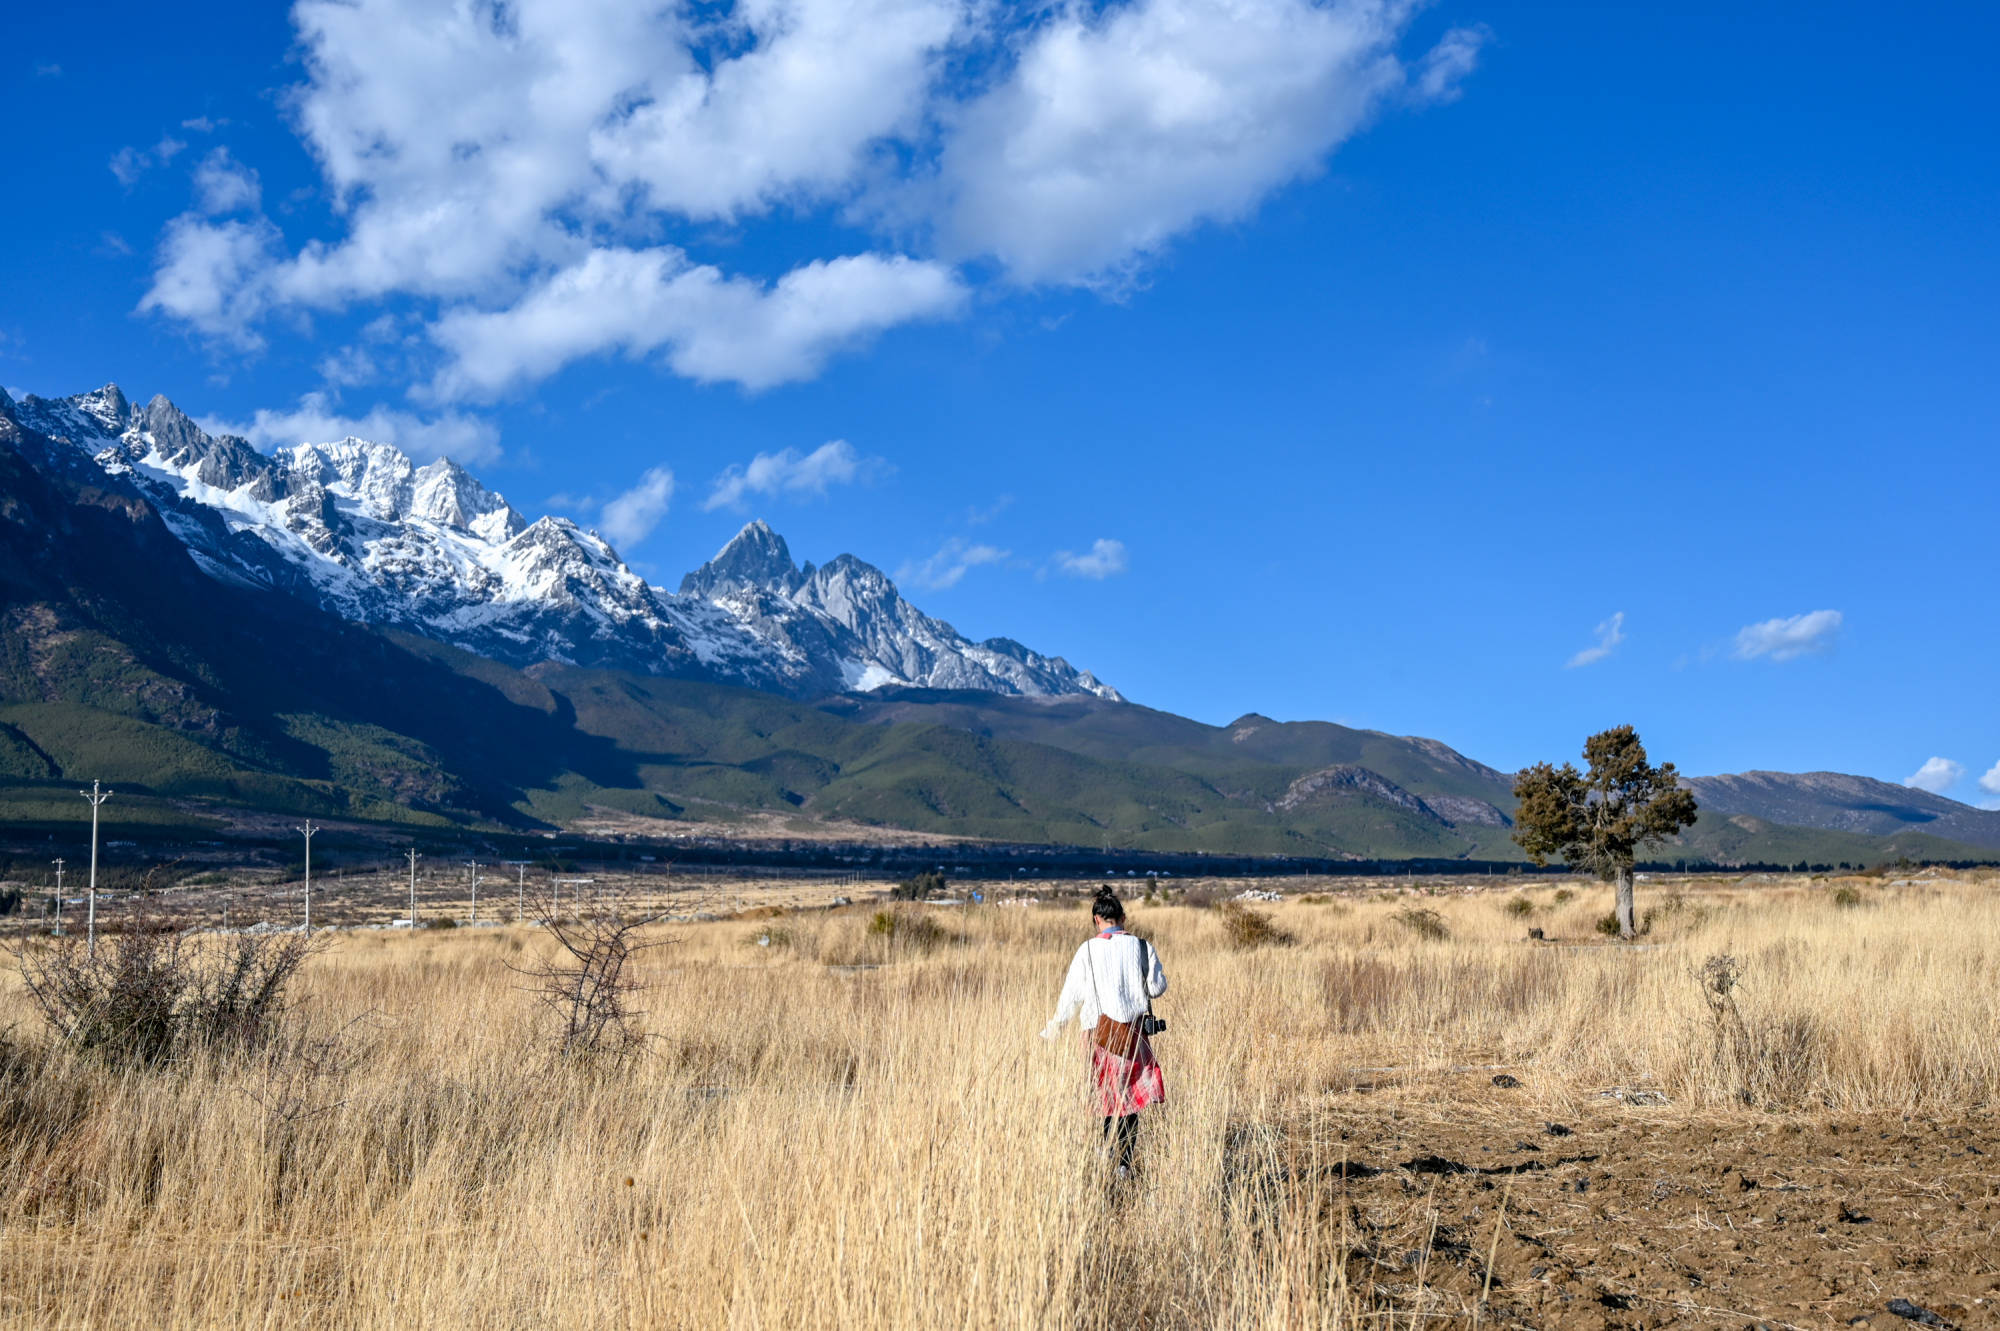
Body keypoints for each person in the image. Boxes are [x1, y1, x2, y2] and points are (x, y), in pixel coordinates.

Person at [1040, 887, 1167, 1175]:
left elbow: (1070, 998)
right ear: (1124, 917)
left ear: (1096, 919)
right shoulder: (1142, 947)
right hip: (1133, 1035)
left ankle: (1105, 1153)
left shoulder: (1086, 950)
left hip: (1099, 1035)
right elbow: (1157, 988)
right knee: (1130, 1100)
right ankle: (1124, 1163)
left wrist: (1053, 1030)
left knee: (1105, 1098)